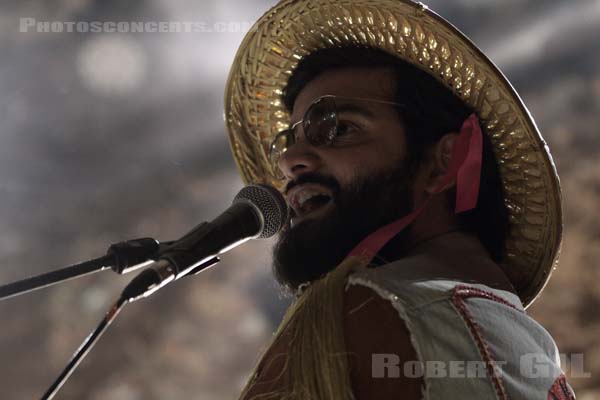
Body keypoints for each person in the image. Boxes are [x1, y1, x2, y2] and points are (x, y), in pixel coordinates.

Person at [224, 1, 574, 399]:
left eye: (337, 128)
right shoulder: (526, 346)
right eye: (287, 142)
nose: (289, 162)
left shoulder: (363, 311)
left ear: (443, 163)